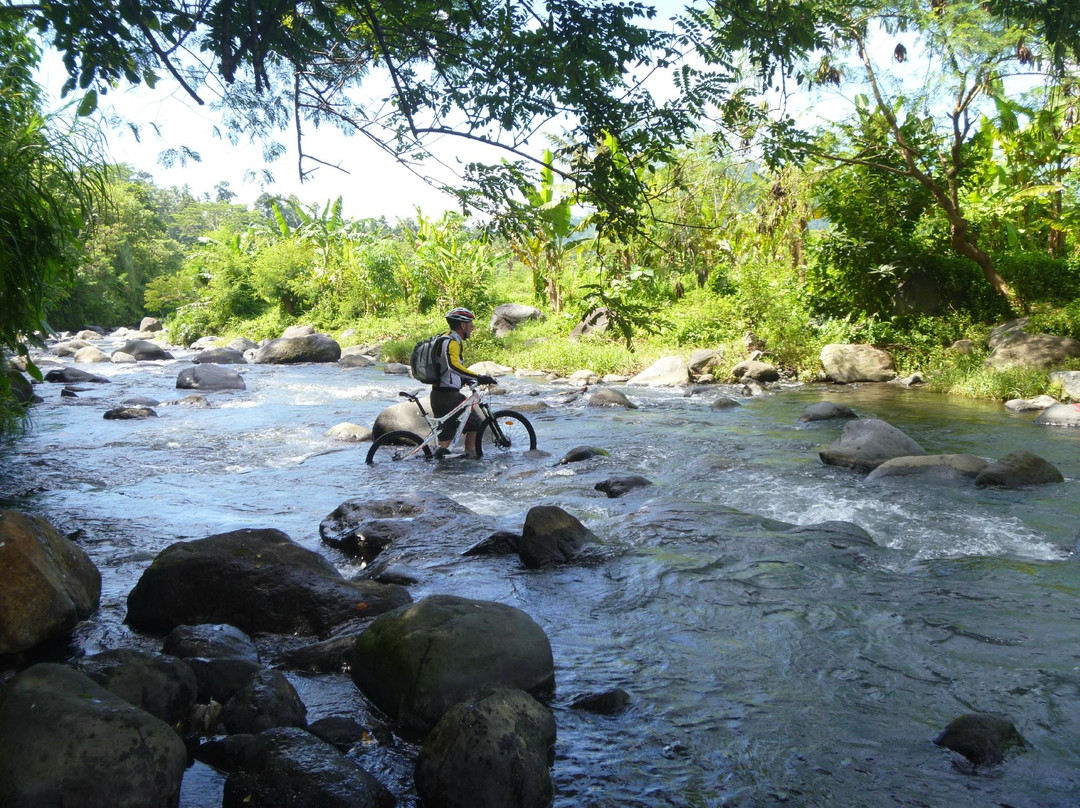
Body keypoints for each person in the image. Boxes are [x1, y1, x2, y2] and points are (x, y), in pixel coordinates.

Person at [431, 307, 497, 458]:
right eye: (470, 324)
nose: (472, 327)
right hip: (448, 396)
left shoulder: (445, 338)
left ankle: (441, 465)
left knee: (445, 437)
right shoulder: (452, 342)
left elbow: (447, 369)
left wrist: (466, 379)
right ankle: (471, 456)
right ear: (462, 326)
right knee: (477, 423)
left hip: (439, 394)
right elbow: (452, 366)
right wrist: (478, 376)